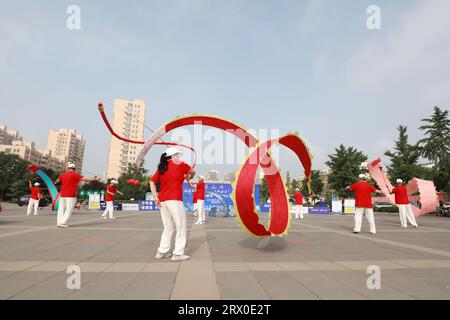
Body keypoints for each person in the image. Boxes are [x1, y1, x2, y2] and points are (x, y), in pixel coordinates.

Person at [150, 148, 195, 262]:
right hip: (174, 199)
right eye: (177, 155)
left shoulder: (162, 167)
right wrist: (189, 176)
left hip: (162, 200)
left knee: (168, 227)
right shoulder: (181, 164)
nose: (179, 157)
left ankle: (162, 251)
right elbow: (192, 172)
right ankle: (178, 253)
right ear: (173, 156)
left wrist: (155, 197)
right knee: (180, 226)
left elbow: (152, 182)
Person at [54, 163, 98, 228]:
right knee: (69, 209)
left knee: (61, 209)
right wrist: (95, 179)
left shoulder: (63, 175)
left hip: (62, 195)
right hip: (71, 195)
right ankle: (62, 223)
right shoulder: (75, 175)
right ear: (74, 169)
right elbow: (86, 179)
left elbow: (56, 181)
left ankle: (59, 222)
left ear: (68, 168)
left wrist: (56, 182)